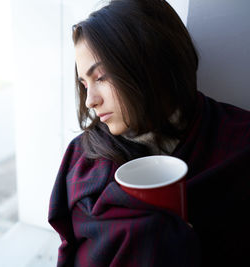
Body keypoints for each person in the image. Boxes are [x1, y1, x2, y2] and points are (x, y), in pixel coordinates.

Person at [48, 0, 250, 266]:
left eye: (101, 77)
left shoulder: (239, 142)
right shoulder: (82, 161)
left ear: (152, 63)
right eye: (84, 84)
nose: (90, 101)